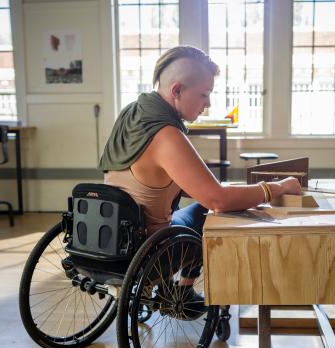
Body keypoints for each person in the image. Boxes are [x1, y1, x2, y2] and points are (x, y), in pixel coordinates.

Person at [99, 46, 301, 317]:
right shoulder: (167, 134)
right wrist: (278, 187)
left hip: (110, 237)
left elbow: (150, 177)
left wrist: (220, 189)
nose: (207, 104)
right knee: (209, 211)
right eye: (204, 94)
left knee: (210, 199)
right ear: (177, 90)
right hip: (148, 249)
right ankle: (182, 291)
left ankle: (172, 288)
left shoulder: (133, 113)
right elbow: (217, 200)